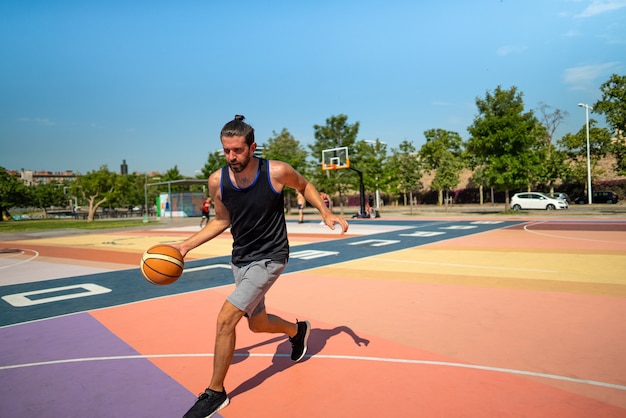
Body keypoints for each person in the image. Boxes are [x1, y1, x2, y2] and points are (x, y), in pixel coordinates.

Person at [174, 115, 349, 418]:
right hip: (241, 257)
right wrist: (186, 245)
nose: (231, 157)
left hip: (271, 257)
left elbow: (305, 185)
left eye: (238, 151)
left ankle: (215, 392)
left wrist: (324, 212)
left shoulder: (276, 172)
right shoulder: (218, 180)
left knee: (226, 319)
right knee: (257, 323)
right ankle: (297, 331)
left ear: (252, 147)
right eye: (226, 151)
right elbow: (221, 220)